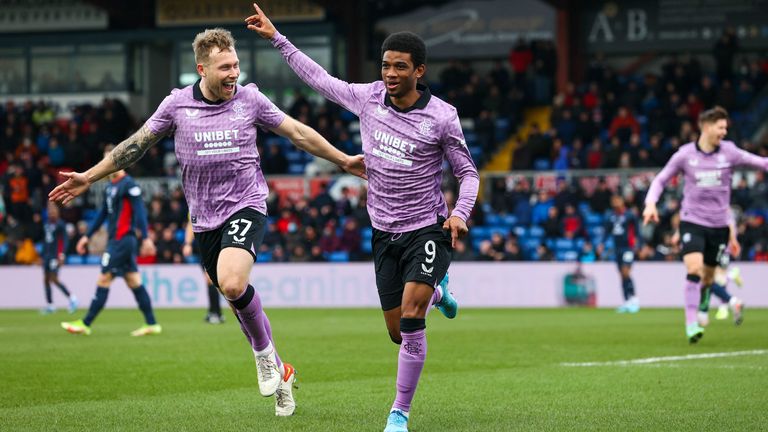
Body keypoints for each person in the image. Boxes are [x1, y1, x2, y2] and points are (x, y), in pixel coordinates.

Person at [49, 27, 366, 417]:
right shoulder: (176, 106)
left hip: (247, 204)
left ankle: (265, 358)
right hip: (204, 220)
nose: (234, 73)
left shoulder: (250, 99)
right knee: (233, 295)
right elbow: (134, 145)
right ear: (202, 69)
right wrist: (89, 176)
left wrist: (344, 160)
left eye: (236, 64)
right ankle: (280, 368)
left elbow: (298, 133)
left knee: (233, 283)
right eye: (224, 67)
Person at [246, 6, 479, 431]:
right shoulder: (368, 96)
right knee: (396, 332)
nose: (390, 73)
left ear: (419, 71)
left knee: (411, 320)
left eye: (400, 67)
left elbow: (467, 172)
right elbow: (321, 79)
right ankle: (439, 294)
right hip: (383, 231)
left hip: (426, 228)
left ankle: (399, 413)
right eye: (386, 65)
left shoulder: (442, 116)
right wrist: (278, 39)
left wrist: (460, 213)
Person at [643, 106, 768, 343]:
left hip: (719, 225)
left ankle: (703, 305)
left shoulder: (729, 152)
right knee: (693, 269)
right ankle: (691, 323)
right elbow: (660, 180)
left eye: (725, 128)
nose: (724, 132)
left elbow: (761, 163)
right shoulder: (685, 155)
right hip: (692, 221)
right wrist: (650, 204)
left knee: (709, 278)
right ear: (707, 127)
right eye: (721, 127)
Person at [59, 145, 159, 336]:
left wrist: (146, 238)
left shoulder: (129, 185)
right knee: (133, 280)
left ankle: (86, 323)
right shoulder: (110, 187)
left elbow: (140, 213)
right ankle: (152, 323)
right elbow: (101, 215)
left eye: (109, 160)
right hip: (118, 240)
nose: (106, 165)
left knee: (104, 277)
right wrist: (86, 237)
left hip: (122, 240)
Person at [696, 211, 744, 326]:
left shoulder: (721, 212)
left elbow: (730, 229)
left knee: (708, 280)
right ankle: (703, 313)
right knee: (709, 282)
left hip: (717, 251)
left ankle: (732, 300)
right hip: (723, 252)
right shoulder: (725, 212)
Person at [183, 216, 223, 324]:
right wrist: (188, 243)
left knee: (212, 280)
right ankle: (214, 312)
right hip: (205, 244)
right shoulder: (196, 204)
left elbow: (191, 224)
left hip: (214, 243)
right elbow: (191, 222)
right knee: (210, 280)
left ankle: (216, 313)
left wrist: (187, 244)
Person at [40, 202, 78, 315]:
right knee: (46, 280)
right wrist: (42, 256)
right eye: (49, 210)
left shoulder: (61, 224)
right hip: (46, 256)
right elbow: (45, 242)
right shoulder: (46, 224)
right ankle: (50, 305)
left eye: (53, 210)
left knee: (54, 279)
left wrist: (62, 254)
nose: (51, 212)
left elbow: (65, 240)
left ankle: (72, 298)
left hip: (54, 256)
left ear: (58, 211)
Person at [606, 194, 639, 313]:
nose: (616, 203)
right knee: (621, 275)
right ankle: (627, 301)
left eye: (618, 200)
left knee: (626, 271)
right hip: (617, 249)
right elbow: (607, 231)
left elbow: (637, 231)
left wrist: (638, 244)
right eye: (614, 200)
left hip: (628, 248)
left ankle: (634, 299)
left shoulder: (630, 215)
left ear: (622, 201)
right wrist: (601, 243)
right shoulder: (611, 216)